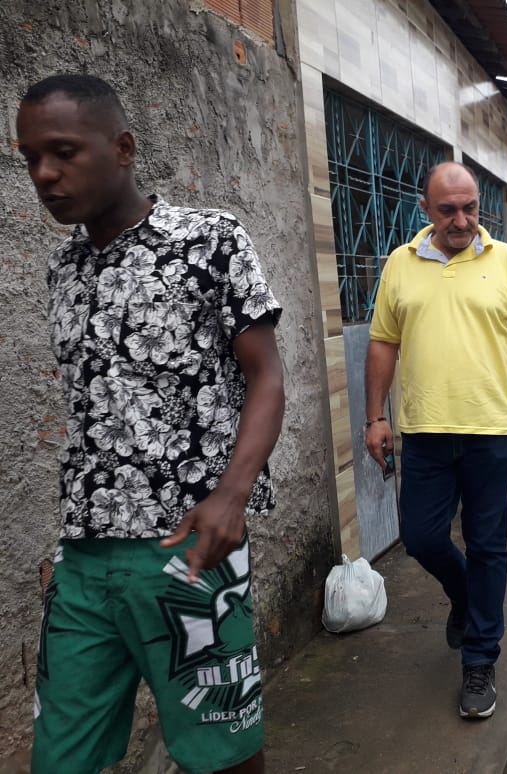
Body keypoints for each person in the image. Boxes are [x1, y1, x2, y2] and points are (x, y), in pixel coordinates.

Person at [17, 74, 284, 774]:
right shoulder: (63, 269)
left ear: (124, 147)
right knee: (61, 755)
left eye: (64, 151)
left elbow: (267, 376)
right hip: (83, 562)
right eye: (31, 158)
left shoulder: (211, 242)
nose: (46, 174)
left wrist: (232, 494)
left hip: (187, 550)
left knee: (220, 753)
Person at [364, 162, 507, 719]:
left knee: (488, 545)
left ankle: (480, 659)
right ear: (425, 209)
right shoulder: (401, 264)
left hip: (490, 432)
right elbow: (382, 343)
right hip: (423, 431)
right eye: (448, 209)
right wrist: (375, 417)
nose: (461, 219)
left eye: (470, 207)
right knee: (421, 537)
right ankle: (465, 598)